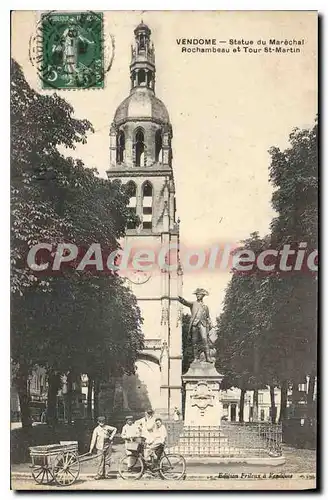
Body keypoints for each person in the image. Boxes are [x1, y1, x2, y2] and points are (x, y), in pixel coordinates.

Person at [178, 288, 213, 362]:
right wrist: (179, 299)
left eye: (199, 294)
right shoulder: (193, 303)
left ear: (202, 296)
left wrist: (211, 323)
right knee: (194, 342)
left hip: (203, 324)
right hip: (194, 324)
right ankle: (196, 358)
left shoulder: (205, 306)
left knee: (205, 340)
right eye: (197, 294)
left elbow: (208, 317)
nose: (197, 296)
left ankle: (208, 357)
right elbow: (185, 302)